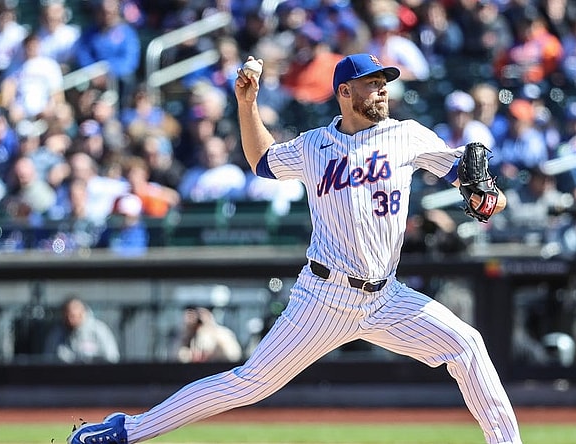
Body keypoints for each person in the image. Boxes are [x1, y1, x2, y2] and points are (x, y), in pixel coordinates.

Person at [67, 53, 522, 444]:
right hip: (324, 297)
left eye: (385, 85)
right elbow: (261, 160)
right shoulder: (315, 146)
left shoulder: (408, 135)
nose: (382, 92)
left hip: (387, 297)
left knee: (467, 345)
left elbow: (471, 179)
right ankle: (128, 430)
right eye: (372, 85)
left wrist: (489, 195)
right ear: (344, 92)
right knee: (248, 385)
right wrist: (247, 104)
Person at [44, 296, 120, 364]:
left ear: (82, 313)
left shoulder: (99, 330)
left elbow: (112, 358)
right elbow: (48, 360)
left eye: (73, 316)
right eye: (67, 316)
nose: (70, 319)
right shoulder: (57, 334)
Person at [174, 306, 243, 363]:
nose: (200, 319)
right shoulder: (187, 335)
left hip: (217, 371)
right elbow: (174, 356)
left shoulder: (222, 333)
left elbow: (234, 355)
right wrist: (187, 333)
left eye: (203, 315)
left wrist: (211, 330)